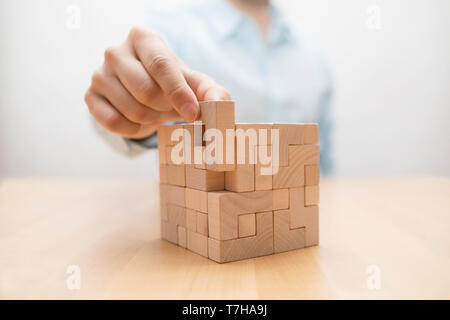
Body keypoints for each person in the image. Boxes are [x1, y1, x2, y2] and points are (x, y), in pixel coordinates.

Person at [84, 0, 333, 174]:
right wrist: (124, 104)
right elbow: (124, 90)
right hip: (199, 231)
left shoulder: (316, 56)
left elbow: (324, 165)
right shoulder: (172, 27)